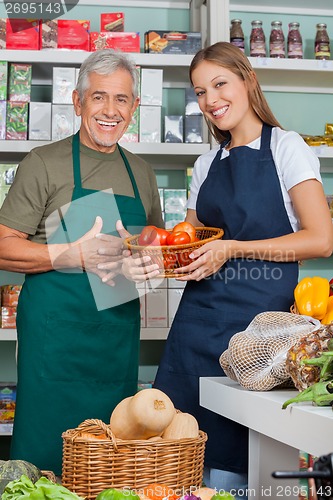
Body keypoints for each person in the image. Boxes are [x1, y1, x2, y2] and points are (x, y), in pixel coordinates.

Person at [122, 42, 333, 499]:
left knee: (244, 457)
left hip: (261, 331)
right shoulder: (204, 165)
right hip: (198, 323)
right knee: (180, 447)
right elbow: (191, 243)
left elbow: (320, 239)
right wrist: (156, 258)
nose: (210, 100)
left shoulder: (287, 149)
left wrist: (231, 248)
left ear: (247, 80)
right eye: (200, 92)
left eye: (220, 84)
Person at [0, 49, 163, 475]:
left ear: (134, 107)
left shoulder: (142, 173)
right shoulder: (43, 163)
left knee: (112, 456)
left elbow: (155, 250)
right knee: (45, 459)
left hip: (114, 341)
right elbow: (3, 245)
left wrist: (148, 266)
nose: (111, 111)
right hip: (54, 343)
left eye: (122, 99)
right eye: (99, 98)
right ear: (78, 103)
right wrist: (66, 254)